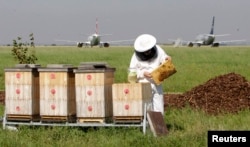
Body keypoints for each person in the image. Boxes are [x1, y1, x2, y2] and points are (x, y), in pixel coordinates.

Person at [129, 34, 171, 115]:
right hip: (143, 84)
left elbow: (164, 58)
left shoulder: (158, 49)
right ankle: (147, 126)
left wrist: (167, 59)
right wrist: (142, 73)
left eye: (149, 50)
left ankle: (159, 126)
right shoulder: (135, 56)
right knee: (146, 109)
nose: (148, 52)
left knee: (159, 108)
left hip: (157, 83)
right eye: (145, 51)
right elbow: (131, 72)